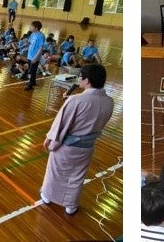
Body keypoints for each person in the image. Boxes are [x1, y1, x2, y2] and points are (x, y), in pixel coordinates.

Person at [40, 64, 114, 215]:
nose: (79, 79)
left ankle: (48, 196)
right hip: (88, 145)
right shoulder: (109, 101)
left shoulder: (76, 100)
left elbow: (62, 123)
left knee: (56, 172)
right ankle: (71, 205)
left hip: (68, 146)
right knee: (77, 176)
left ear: (87, 81)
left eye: (80, 77)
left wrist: (50, 138)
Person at [24, 20, 45, 91]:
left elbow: (41, 48)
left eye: (31, 26)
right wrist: (26, 42)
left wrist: (35, 58)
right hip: (30, 55)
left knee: (32, 71)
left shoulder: (41, 36)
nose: (30, 27)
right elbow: (29, 43)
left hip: (35, 57)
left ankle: (30, 85)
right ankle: (33, 82)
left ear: (36, 28)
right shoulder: (32, 34)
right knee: (32, 70)